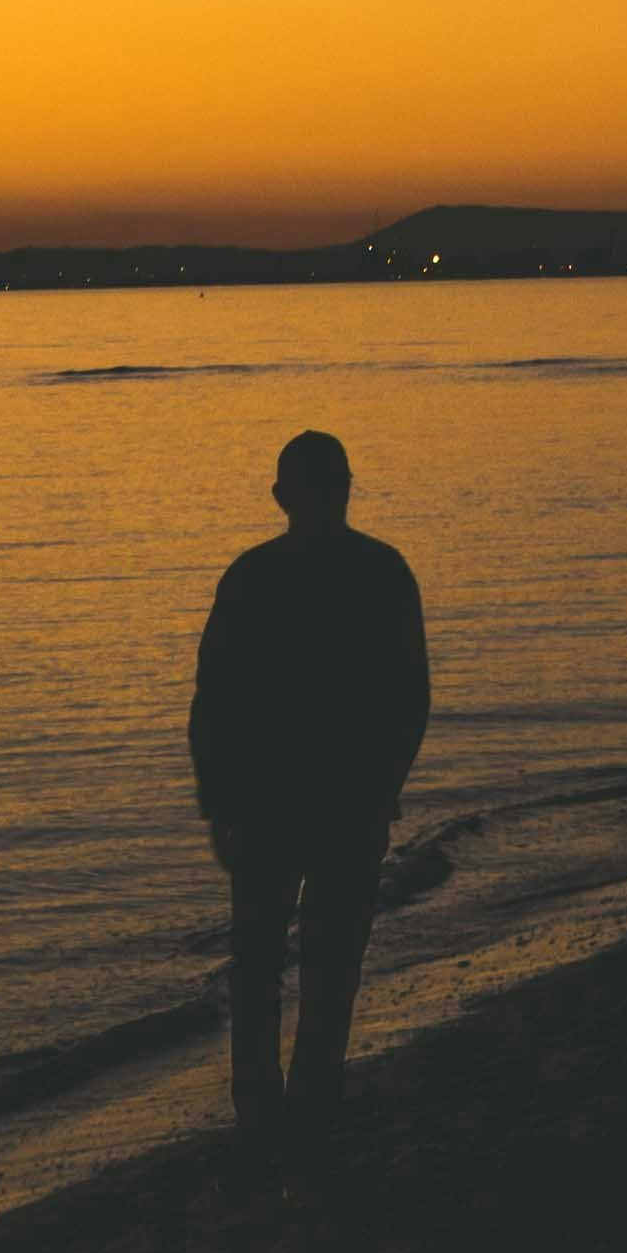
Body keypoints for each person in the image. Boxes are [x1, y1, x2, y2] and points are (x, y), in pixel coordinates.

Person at [189, 430, 431, 1184]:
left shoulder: (255, 577)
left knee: (264, 963)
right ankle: (305, 1108)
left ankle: (264, 1113)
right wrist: (384, 781)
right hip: (337, 803)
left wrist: (217, 803)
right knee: (328, 965)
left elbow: (213, 705)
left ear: (282, 496)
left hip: (276, 805)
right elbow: (409, 700)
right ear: (343, 488)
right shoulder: (381, 571)